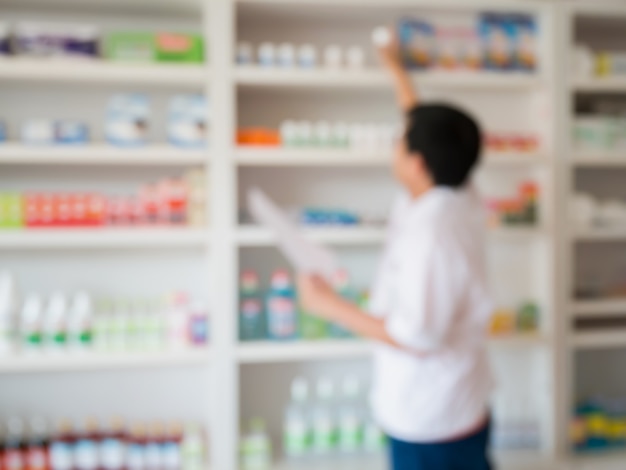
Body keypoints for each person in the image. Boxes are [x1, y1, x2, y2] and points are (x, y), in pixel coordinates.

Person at [297, 32, 494, 470]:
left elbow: (417, 336)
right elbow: (422, 125)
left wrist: (327, 305)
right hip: (453, 408)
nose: (394, 146)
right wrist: (395, 69)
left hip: (433, 421)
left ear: (417, 163)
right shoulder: (456, 188)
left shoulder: (434, 235)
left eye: (399, 141)